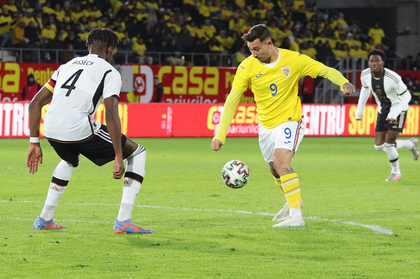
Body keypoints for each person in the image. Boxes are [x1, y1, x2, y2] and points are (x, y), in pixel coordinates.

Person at [211, 24, 355, 228]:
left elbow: (323, 70)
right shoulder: (247, 67)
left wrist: (343, 82)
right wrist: (220, 134)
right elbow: (233, 99)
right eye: (250, 49)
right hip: (266, 126)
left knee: (281, 162)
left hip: (290, 120)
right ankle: (293, 201)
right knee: (274, 169)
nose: (253, 54)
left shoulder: (294, 60)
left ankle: (296, 216)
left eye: (256, 49)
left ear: (269, 44)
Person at [26, 28, 155, 234]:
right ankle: (124, 221)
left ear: (88, 46)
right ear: (110, 49)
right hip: (78, 126)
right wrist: (119, 155)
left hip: (50, 127)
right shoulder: (109, 71)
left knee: (70, 159)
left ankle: (44, 218)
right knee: (138, 152)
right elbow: (111, 113)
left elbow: (35, 104)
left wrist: (34, 142)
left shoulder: (65, 66)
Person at [355, 49, 419, 181]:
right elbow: (365, 89)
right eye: (371, 61)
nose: (374, 63)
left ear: (382, 62)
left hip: (398, 108)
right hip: (382, 109)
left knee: (389, 144)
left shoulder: (393, 78)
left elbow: (407, 96)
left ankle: (396, 173)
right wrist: (359, 111)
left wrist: (395, 113)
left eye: (377, 61)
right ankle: (410, 144)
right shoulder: (365, 75)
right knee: (379, 146)